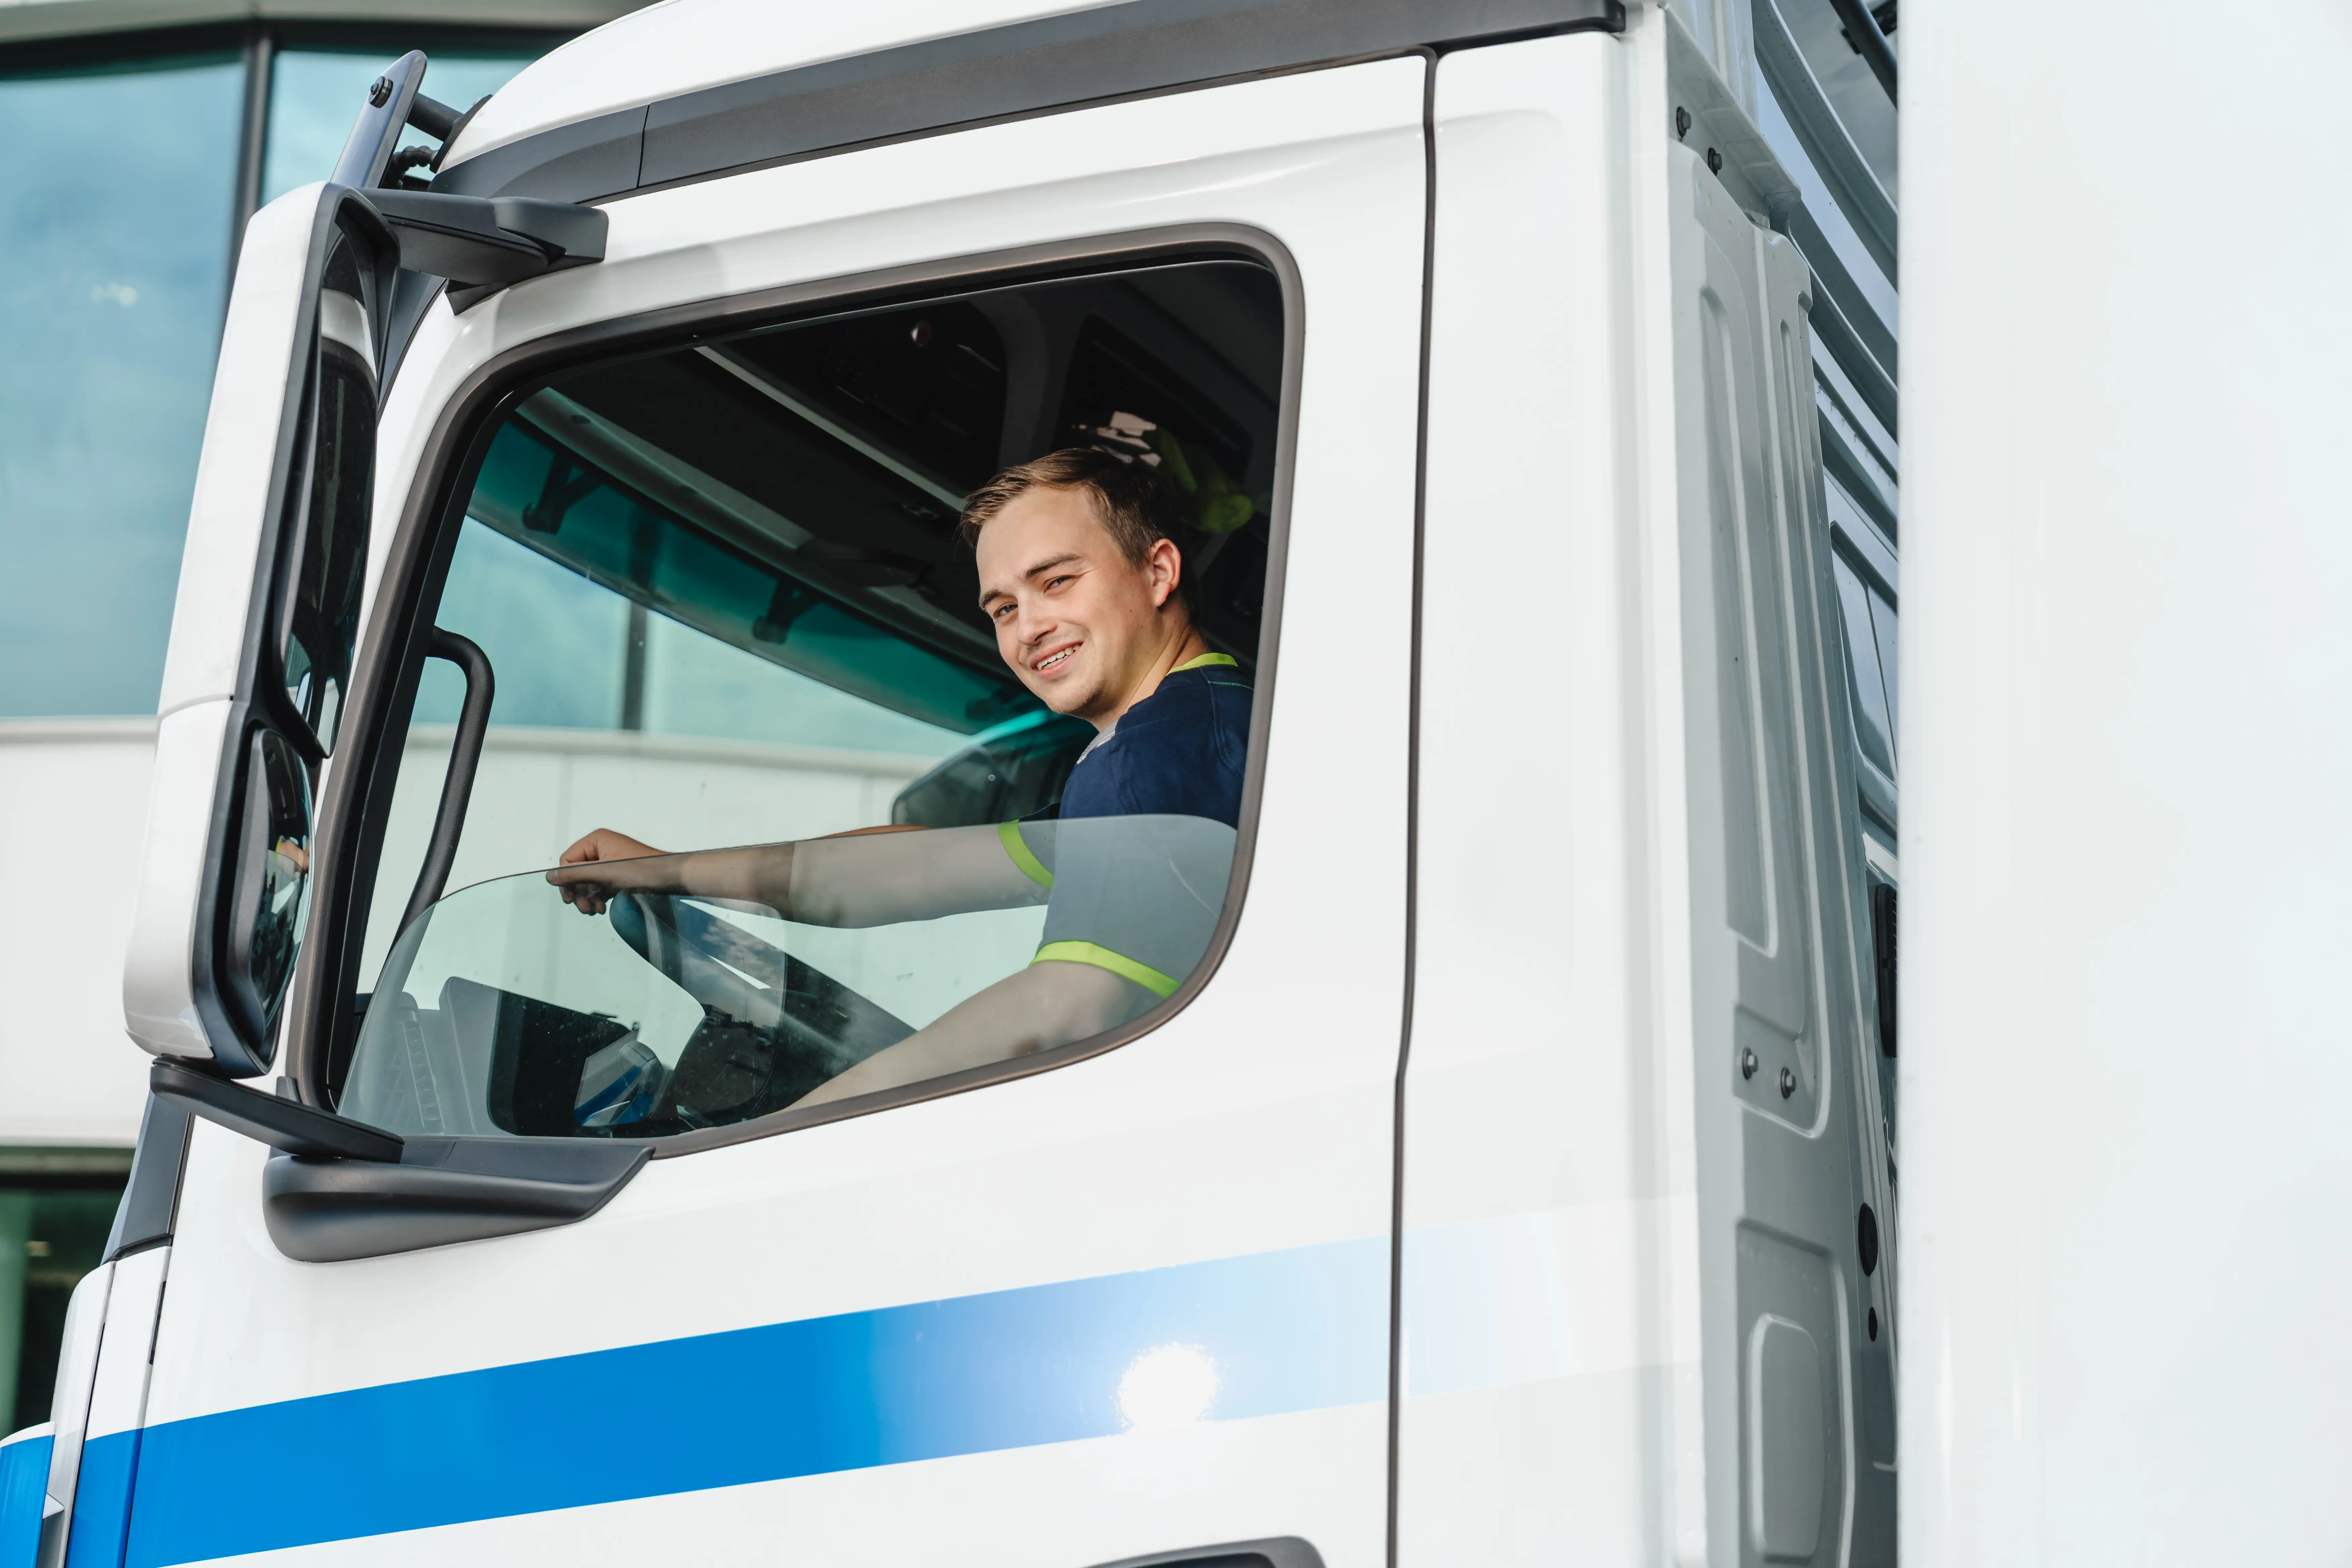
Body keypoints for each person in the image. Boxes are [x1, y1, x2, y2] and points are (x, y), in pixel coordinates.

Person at [545, 447, 1252, 1107]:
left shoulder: (1156, 753)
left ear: (1159, 572)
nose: (1028, 627)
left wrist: (795, 1131)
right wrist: (663, 867)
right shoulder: (1190, 738)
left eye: (1057, 580)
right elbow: (908, 870)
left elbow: (1068, 1004)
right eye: (1004, 607)